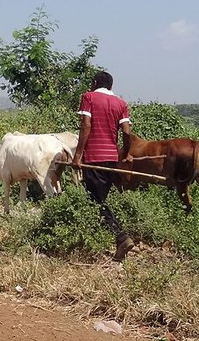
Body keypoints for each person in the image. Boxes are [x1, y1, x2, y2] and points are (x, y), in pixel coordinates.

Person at [72, 71, 135, 261]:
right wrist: (127, 153)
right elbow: (126, 131)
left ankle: (121, 237)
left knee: (94, 200)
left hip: (93, 157)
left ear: (95, 82)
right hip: (111, 157)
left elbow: (86, 125)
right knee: (100, 198)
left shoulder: (88, 97)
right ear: (111, 86)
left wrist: (78, 155)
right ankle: (102, 240)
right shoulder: (121, 103)